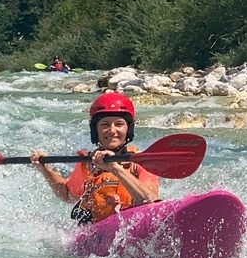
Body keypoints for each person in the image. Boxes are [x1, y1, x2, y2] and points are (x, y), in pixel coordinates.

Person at [31, 92, 159, 224]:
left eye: (119, 124)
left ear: (128, 129)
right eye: (105, 125)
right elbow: (68, 195)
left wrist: (115, 168)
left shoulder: (142, 162)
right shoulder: (87, 164)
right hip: (97, 234)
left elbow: (151, 201)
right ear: (95, 130)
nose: (112, 131)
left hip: (131, 228)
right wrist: (45, 169)